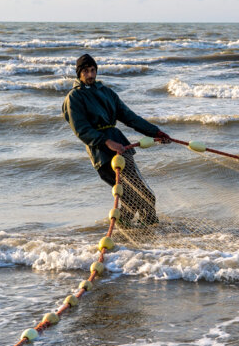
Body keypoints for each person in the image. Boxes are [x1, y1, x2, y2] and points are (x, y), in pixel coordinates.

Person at [62, 53, 171, 227]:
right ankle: (130, 234)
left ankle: (140, 239)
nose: (90, 75)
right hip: (102, 154)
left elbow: (129, 117)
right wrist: (107, 142)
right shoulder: (73, 98)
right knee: (133, 197)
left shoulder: (107, 92)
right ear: (79, 74)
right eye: (85, 72)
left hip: (121, 147)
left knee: (144, 197)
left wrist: (155, 132)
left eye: (92, 70)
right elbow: (82, 130)